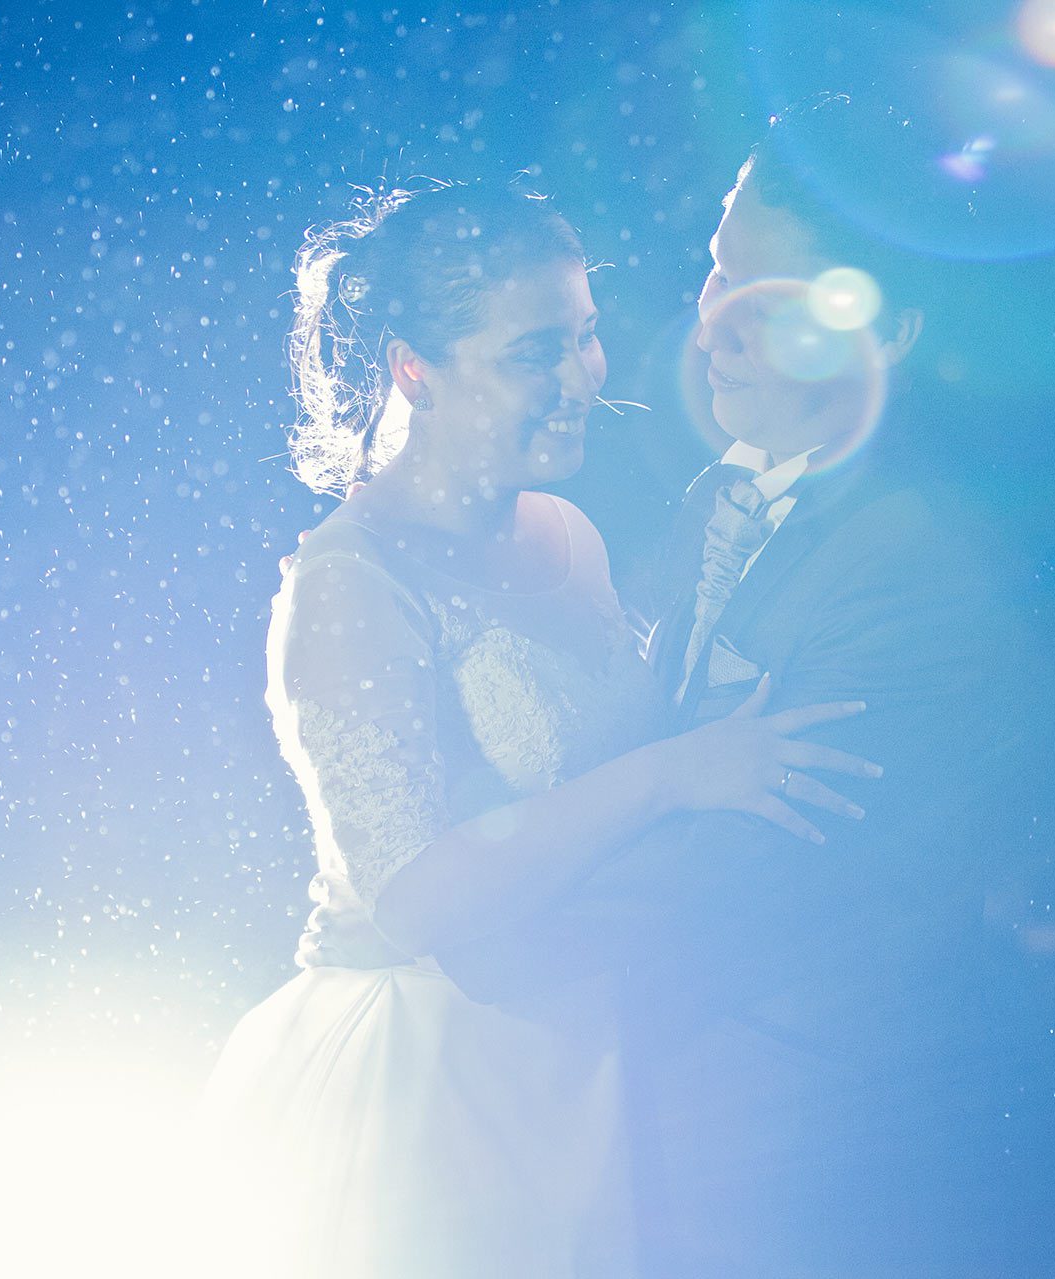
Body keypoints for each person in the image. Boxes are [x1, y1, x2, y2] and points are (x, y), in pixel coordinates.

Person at [311, 100, 1055, 1275]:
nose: (714, 325)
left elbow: (737, 885)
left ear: (887, 334)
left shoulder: (918, 571)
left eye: (769, 301)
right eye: (721, 275)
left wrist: (469, 967)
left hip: (809, 1156)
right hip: (599, 1126)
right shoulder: (681, 509)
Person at [197, 181, 880, 1279]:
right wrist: (670, 775)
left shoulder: (567, 529)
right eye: (535, 353)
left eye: (589, 337)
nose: (582, 381)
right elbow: (416, 896)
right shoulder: (348, 584)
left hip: (596, 1055)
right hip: (432, 1091)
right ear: (415, 367)